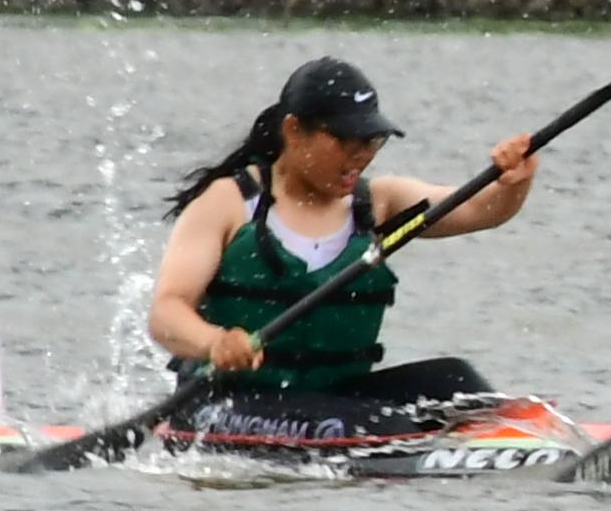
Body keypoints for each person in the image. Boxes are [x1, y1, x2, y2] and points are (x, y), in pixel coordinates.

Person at [147, 57, 537, 440]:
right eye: (345, 141)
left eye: (371, 141)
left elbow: (477, 208)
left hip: (335, 398)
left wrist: (512, 183)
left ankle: (527, 446)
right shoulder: (229, 202)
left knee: (461, 383)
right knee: (382, 427)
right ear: (294, 130)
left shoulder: (379, 203)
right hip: (225, 404)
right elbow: (166, 312)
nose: (360, 156)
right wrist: (215, 343)